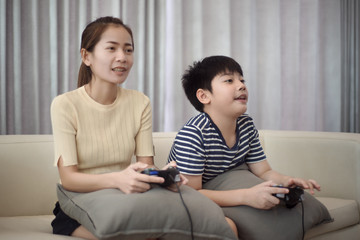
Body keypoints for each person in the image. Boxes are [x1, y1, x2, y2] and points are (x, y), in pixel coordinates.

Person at [50, 16, 184, 240]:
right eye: (111, 48)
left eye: (128, 50)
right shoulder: (65, 104)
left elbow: (144, 165)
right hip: (80, 206)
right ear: (86, 56)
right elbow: (69, 179)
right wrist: (118, 179)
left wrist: (162, 176)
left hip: (124, 199)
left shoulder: (140, 102)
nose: (122, 57)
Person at [167, 55, 321, 237]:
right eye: (229, 80)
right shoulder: (194, 133)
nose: (241, 85)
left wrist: (286, 180)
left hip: (227, 187)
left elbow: (263, 171)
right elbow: (191, 193)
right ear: (204, 96)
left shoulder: (246, 125)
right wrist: (246, 197)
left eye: (242, 80)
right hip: (192, 198)